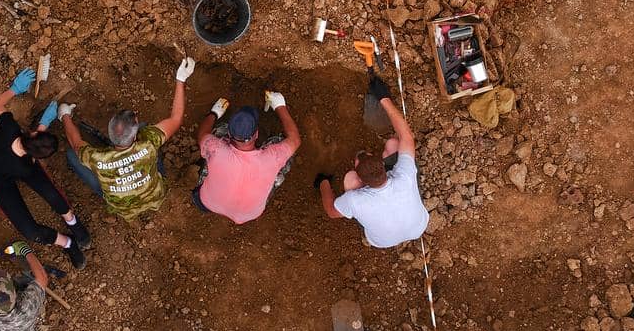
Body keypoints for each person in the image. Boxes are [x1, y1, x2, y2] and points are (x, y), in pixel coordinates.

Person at [0, 68, 91, 268]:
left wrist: (15, 89)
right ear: (37, 157)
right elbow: (30, 154)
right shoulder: (28, 163)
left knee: (51, 197)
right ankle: (68, 242)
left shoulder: (10, 129)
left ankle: (75, 225)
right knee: (30, 228)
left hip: (4, 166)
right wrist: (43, 124)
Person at [60, 57, 195, 220]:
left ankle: (113, 195)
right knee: (146, 127)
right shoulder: (148, 145)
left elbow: (75, 143)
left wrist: (65, 115)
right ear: (134, 134)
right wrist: (181, 79)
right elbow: (176, 119)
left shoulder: (97, 159)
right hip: (155, 196)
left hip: (123, 208)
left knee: (71, 155)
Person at [314, 74, 429, 247]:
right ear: (385, 167)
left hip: (383, 242)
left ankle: (326, 180)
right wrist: (384, 99)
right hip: (418, 227)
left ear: (362, 183)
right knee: (393, 144)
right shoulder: (404, 176)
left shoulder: (355, 199)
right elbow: (406, 137)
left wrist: (323, 183)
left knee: (348, 180)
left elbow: (331, 211)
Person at [193, 89, 301, 223]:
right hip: (249, 214)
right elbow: (295, 140)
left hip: (208, 202)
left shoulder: (216, 149)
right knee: (282, 146)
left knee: (217, 132)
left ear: (230, 134)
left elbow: (203, 134)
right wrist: (280, 106)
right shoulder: (273, 157)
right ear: (256, 134)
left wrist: (214, 113)